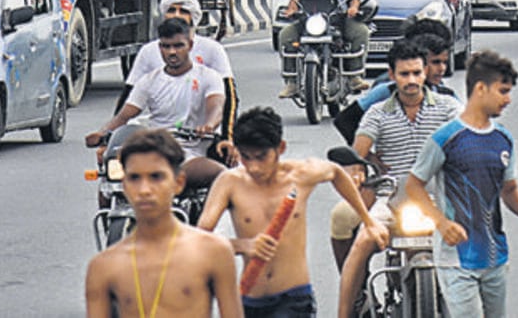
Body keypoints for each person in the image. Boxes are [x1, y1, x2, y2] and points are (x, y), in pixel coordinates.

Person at [197, 107, 388, 318]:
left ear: (281, 148)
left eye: (261, 157)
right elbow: (202, 237)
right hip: (249, 299)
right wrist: (244, 245)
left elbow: (335, 172)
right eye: (246, 157)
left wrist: (368, 221)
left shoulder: (301, 175)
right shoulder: (229, 183)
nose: (254, 167)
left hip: (294, 298)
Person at [405, 51, 518, 318]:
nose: (508, 99)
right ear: (481, 88)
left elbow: (509, 189)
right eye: (503, 91)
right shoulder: (446, 138)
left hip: (495, 257)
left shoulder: (503, 138)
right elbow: (414, 186)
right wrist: (441, 222)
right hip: (456, 259)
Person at [336, 41, 462, 318]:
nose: (412, 81)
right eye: (404, 74)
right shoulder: (377, 113)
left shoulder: (448, 108)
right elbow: (357, 155)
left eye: (417, 73)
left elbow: (466, 146)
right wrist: (356, 169)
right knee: (358, 239)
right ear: (392, 76)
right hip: (390, 198)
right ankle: (350, 307)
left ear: (425, 72)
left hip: (440, 197)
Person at [85, 129, 243, 318]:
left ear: (178, 182)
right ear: (124, 185)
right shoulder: (103, 267)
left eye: (156, 177)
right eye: (135, 178)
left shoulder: (213, 252)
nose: (144, 190)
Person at [85, 18, 231, 190]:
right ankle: (108, 215)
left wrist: (208, 125)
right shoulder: (149, 81)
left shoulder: (208, 77)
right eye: (166, 46)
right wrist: (102, 133)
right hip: (152, 153)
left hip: (187, 153)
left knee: (222, 175)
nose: (172, 52)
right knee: (109, 183)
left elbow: (216, 107)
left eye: (178, 46)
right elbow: (124, 115)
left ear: (190, 46)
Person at [280, 0, 371, 99]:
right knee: (285, 35)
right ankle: (292, 83)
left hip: (338, 19)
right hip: (311, 19)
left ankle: (354, 77)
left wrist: (353, 7)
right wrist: (291, 10)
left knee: (360, 32)